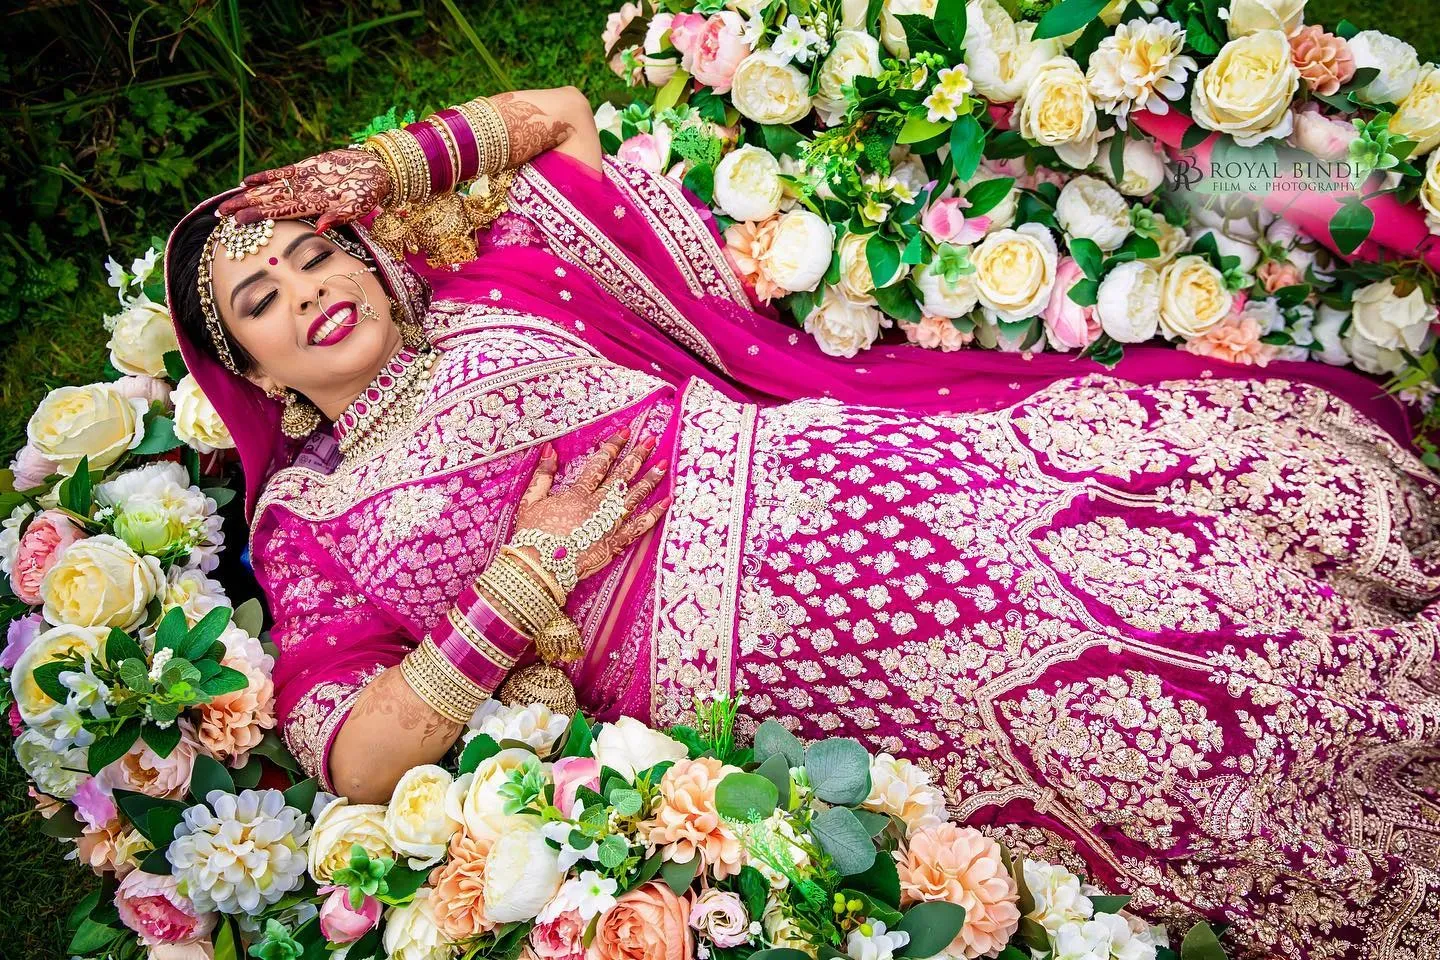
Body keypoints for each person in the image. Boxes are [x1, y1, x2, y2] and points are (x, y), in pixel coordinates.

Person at [163, 86, 1440, 957]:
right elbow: (353, 759)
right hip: (761, 660)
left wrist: (391, 164)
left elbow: (559, 117)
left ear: (368, 248)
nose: (312, 291)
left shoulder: (488, 283)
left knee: (1174, 532)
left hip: (829, 467)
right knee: (1134, 737)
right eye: (265, 299)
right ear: (255, 374)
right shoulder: (310, 521)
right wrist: (525, 580)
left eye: (317, 250)